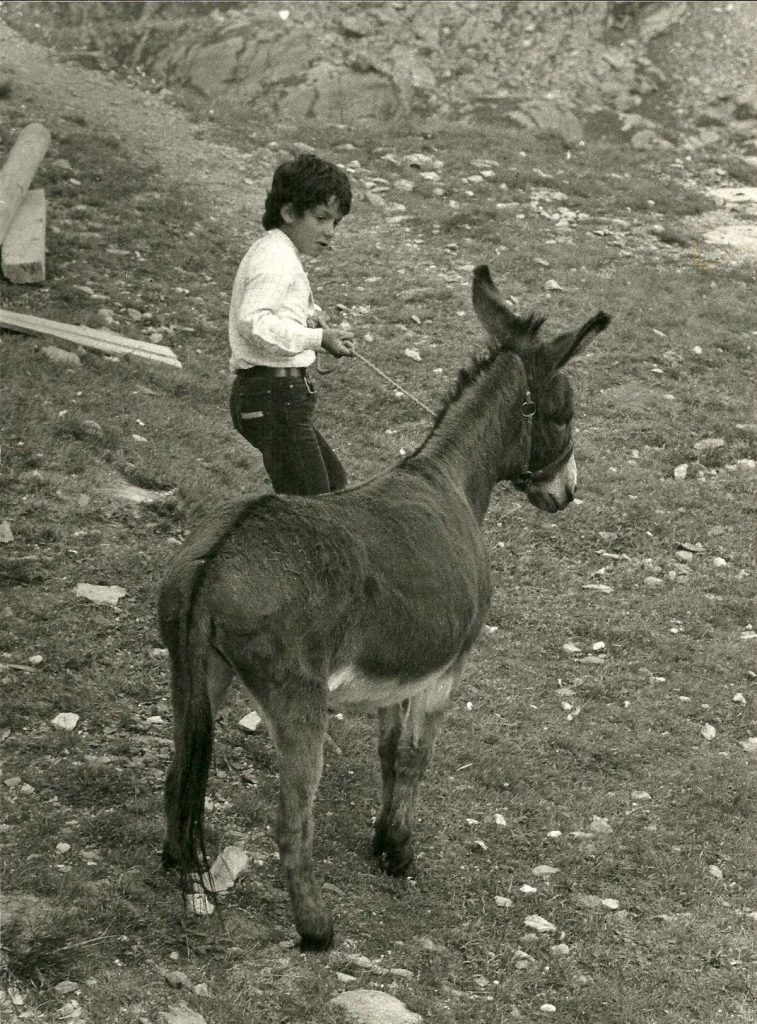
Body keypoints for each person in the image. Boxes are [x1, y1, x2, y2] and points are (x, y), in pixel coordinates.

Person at [228, 153, 356, 495]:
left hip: (279, 395)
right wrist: (317, 338)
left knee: (333, 485)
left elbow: (277, 309)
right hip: (273, 395)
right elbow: (253, 322)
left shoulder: (279, 253)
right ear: (289, 213)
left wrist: (311, 316)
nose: (330, 232)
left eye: (336, 223)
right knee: (313, 504)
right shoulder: (275, 260)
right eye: (321, 218)